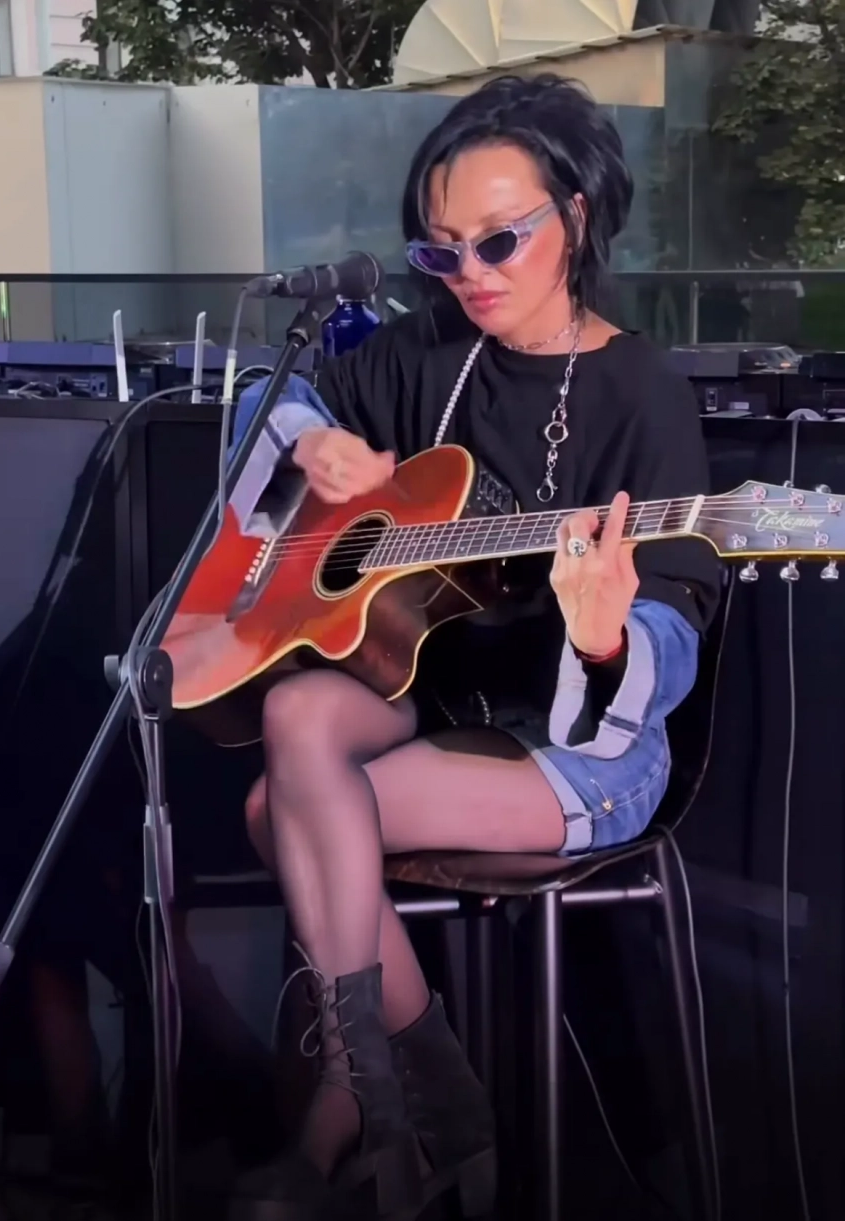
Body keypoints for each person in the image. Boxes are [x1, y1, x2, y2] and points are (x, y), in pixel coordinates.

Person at [228, 74, 721, 1220]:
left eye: (498, 242)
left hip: (584, 751)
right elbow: (270, 400)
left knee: (283, 811)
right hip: (437, 697)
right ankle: (427, 1098)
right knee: (295, 720)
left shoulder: (639, 391)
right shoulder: (427, 352)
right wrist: (306, 444)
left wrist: (607, 641)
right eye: (439, 252)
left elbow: (677, 626)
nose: (471, 275)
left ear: (576, 218)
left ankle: (360, 1107)